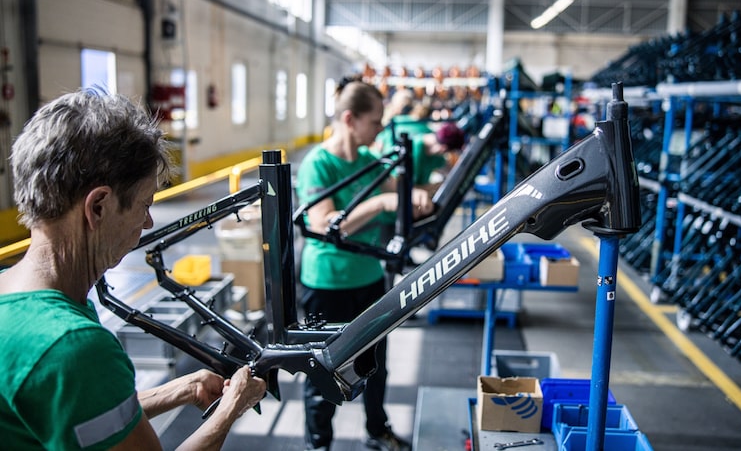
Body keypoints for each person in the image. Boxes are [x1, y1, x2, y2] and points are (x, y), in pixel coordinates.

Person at [0, 88, 267, 450]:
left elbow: (75, 416)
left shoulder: (15, 300)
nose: (148, 222)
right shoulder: (71, 347)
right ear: (99, 207)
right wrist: (232, 407)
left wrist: (180, 389)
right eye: (144, 205)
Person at [295, 80, 433, 451]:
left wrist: (419, 194)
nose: (380, 130)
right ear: (349, 119)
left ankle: (376, 431)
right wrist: (379, 205)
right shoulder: (318, 165)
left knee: (375, 366)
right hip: (327, 285)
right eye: (375, 122)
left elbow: (397, 193)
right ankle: (319, 444)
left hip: (370, 279)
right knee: (324, 372)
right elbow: (322, 224)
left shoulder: (370, 162)